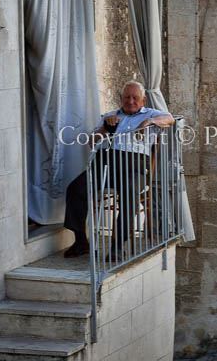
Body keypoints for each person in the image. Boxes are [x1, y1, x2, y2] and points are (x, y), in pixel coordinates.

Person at [63, 81, 173, 258]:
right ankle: (81, 241)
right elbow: (92, 142)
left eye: (135, 97)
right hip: (107, 163)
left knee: (129, 192)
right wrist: (104, 128)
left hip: (135, 167)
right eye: (127, 97)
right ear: (121, 98)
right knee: (76, 189)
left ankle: (117, 245)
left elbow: (170, 119)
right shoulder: (110, 115)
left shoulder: (151, 114)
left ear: (143, 100)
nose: (131, 101)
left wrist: (148, 122)